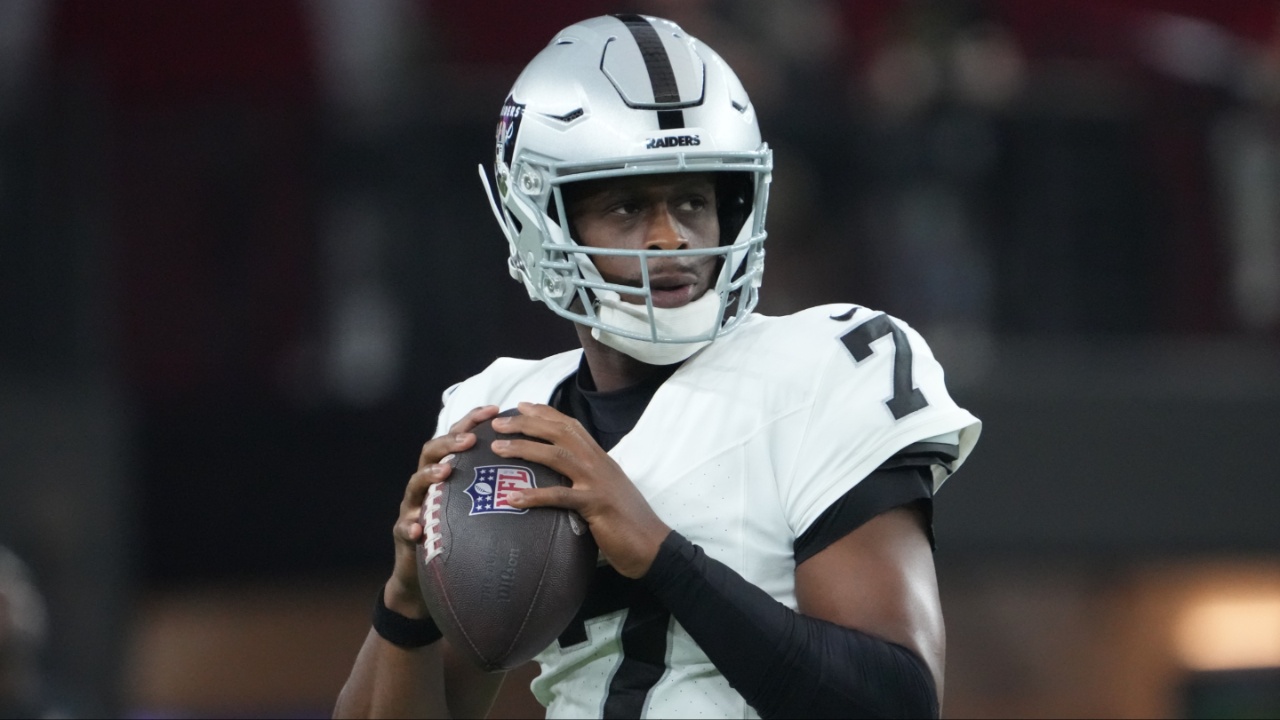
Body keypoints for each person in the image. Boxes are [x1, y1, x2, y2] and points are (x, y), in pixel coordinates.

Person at [335, 13, 980, 720]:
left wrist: (663, 557)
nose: (670, 237)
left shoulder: (825, 368)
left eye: (693, 201)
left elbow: (896, 704)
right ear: (541, 219)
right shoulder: (502, 419)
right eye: (627, 206)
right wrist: (407, 604)